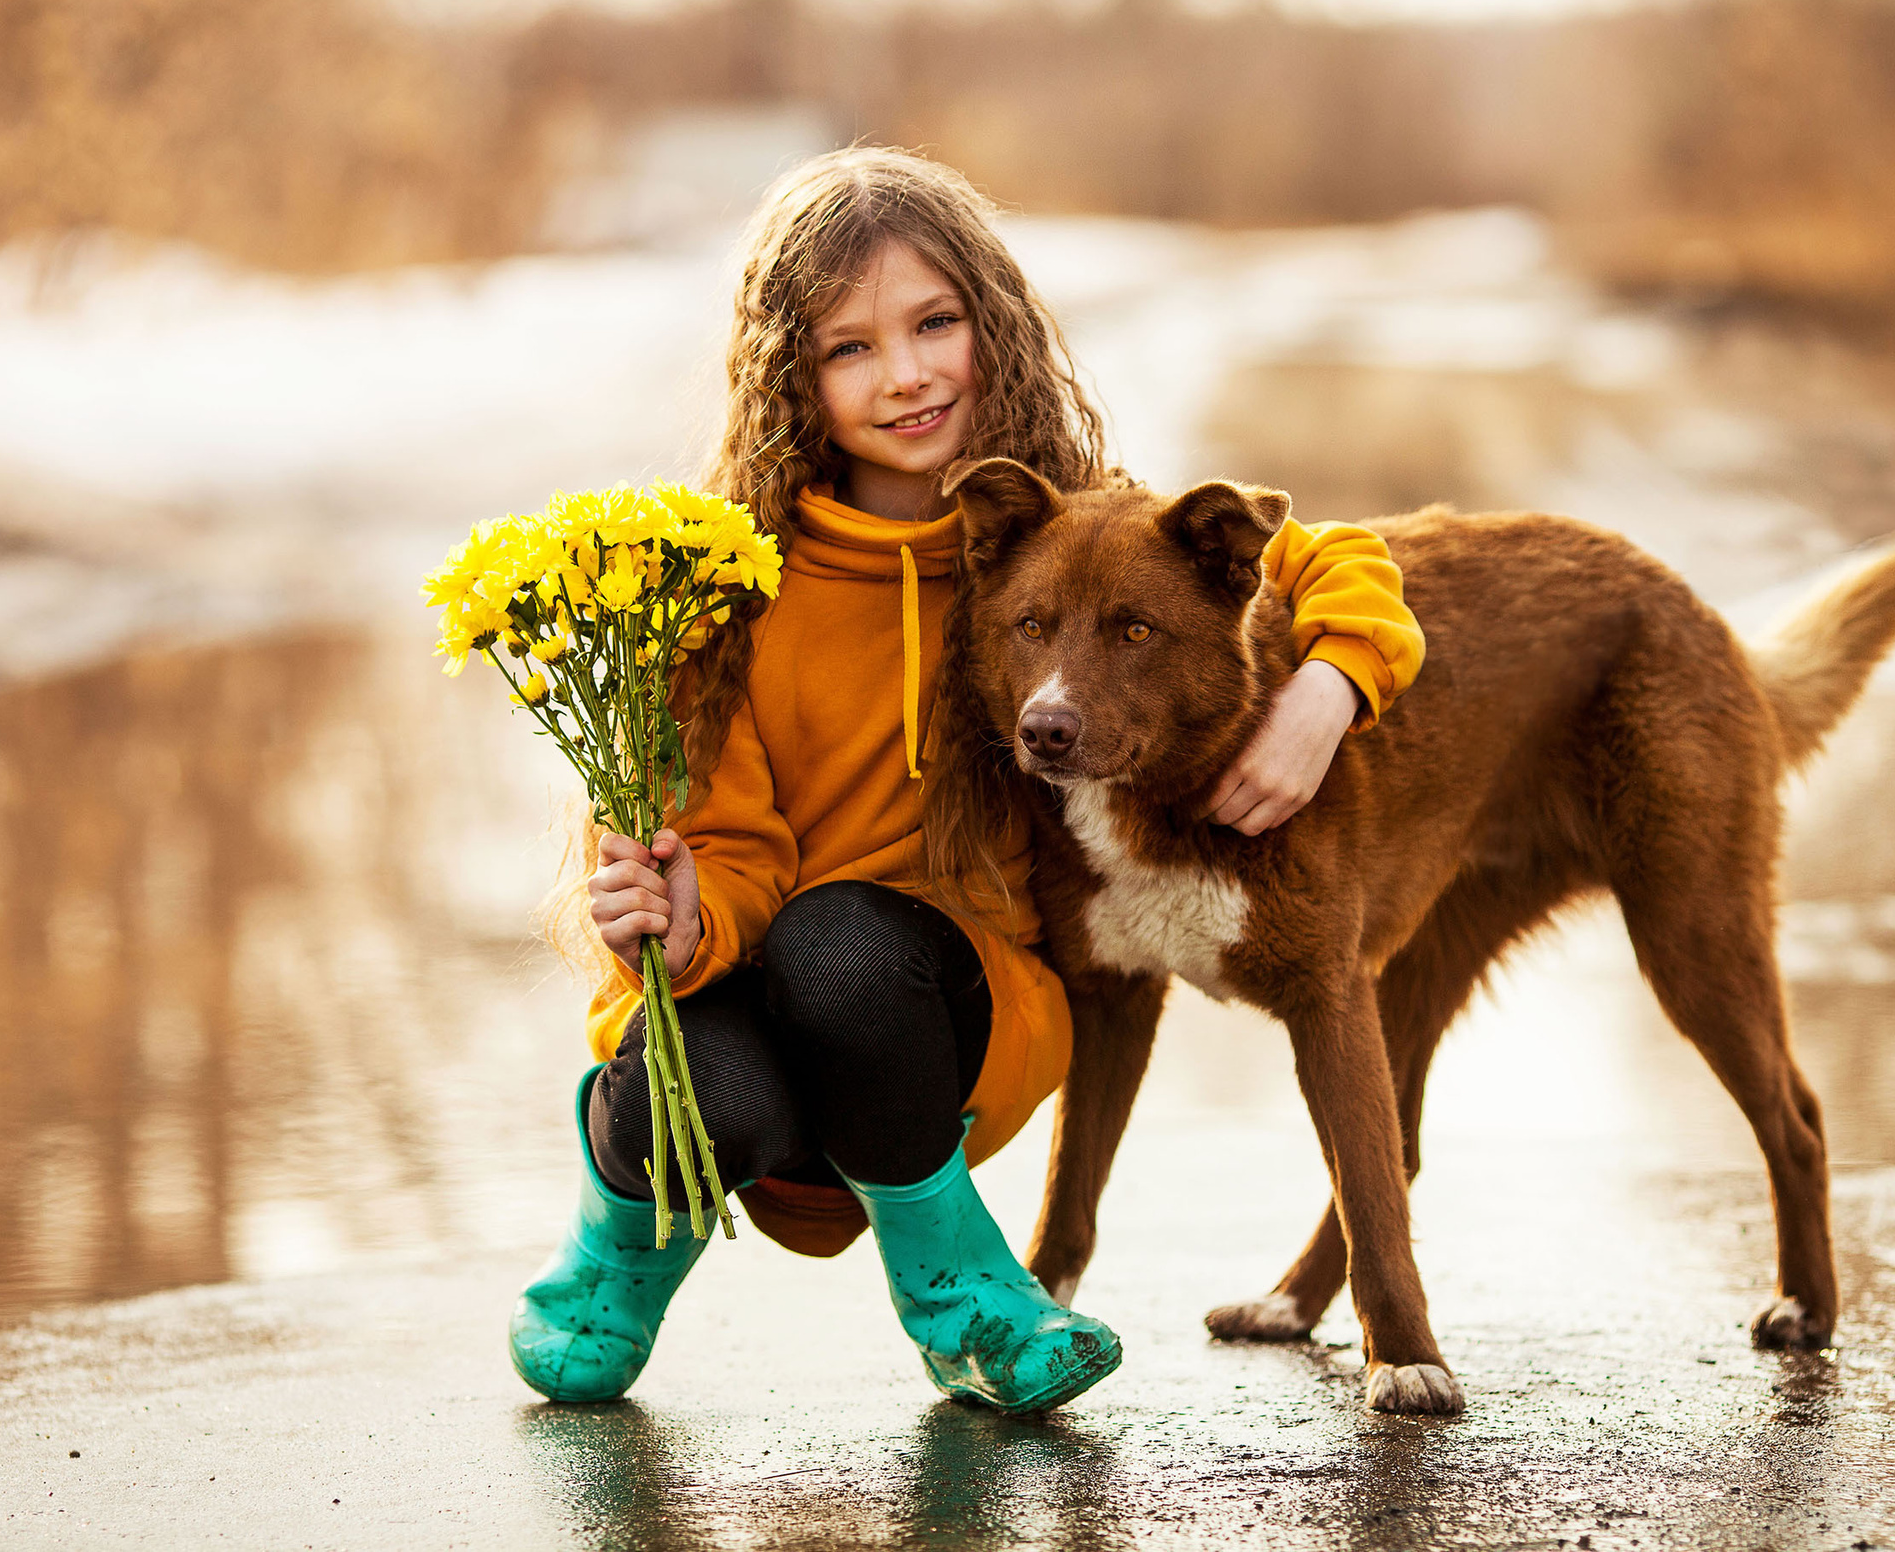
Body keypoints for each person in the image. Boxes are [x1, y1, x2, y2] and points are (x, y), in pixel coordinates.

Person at [512, 147, 1426, 1414]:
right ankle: (616, 1253)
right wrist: (683, 918)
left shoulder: (1063, 534)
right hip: (768, 1011)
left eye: (935, 322)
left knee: (846, 946)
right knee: (692, 1077)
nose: (905, 374)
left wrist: (1329, 693)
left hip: (951, 1030)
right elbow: (729, 849)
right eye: (848, 348)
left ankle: (963, 1298)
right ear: (790, 376)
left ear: (991, 323)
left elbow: (1335, 559)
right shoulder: (722, 587)